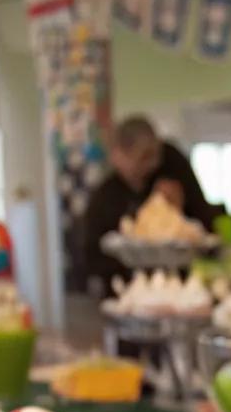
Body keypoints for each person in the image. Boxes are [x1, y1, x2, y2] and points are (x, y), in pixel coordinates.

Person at [84, 116, 215, 293]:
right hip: (127, 291)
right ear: (118, 155)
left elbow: (205, 225)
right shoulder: (105, 197)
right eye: (143, 158)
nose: (152, 164)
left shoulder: (173, 166)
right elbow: (91, 256)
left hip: (178, 286)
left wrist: (178, 211)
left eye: (155, 156)